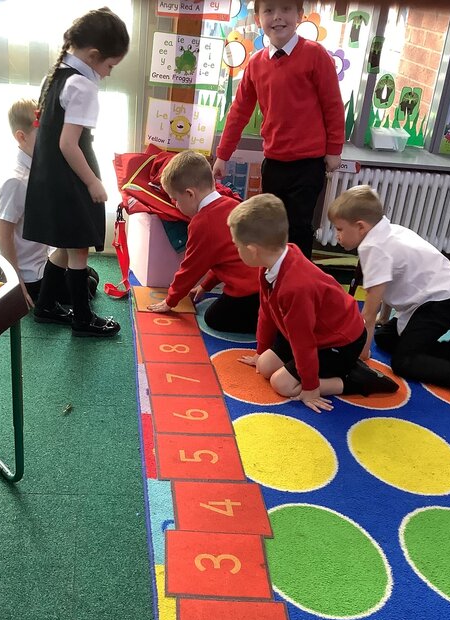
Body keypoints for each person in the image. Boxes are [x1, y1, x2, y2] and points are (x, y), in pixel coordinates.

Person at [328, 185, 450, 404]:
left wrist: (361, 354)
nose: (337, 235)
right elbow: (385, 286)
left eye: (339, 229)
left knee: (404, 363)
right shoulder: (387, 230)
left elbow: (368, 315)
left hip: (442, 302)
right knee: (385, 337)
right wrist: (384, 318)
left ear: (361, 227)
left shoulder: (374, 249)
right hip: (436, 296)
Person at [228, 194, 396, 410]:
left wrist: (310, 388)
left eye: (237, 245)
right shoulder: (270, 263)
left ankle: (358, 377)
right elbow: (267, 312)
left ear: (252, 250)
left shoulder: (295, 287)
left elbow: (303, 342)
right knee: (264, 365)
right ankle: (316, 371)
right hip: (314, 333)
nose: (236, 250)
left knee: (282, 384)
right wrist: (261, 350)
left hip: (340, 341)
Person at [22, 7, 129, 338]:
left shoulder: (56, 75)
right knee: (78, 246)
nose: (108, 74)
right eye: (110, 66)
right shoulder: (83, 86)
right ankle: (83, 318)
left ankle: (46, 306)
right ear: (94, 55)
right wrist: (93, 182)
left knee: (67, 244)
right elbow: (69, 144)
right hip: (70, 173)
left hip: (51, 173)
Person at [210, 1, 345, 259]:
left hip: (308, 164)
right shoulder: (256, 63)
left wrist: (334, 150)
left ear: (299, 15)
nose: (277, 17)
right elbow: (239, 112)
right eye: (269, 11)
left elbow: (333, 105)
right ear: (258, 18)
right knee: (272, 226)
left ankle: (297, 279)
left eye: (285, 9)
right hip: (273, 163)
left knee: (298, 228)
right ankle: (271, 276)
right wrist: (223, 155)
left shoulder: (316, 55)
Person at [144, 150, 260, 334]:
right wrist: (205, 285)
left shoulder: (202, 223)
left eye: (176, 199)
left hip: (249, 292)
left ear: (190, 194)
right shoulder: (232, 204)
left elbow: (190, 268)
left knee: (214, 318)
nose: (176, 205)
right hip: (265, 283)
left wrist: (170, 300)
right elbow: (223, 259)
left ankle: (269, 321)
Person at [0, 98, 68, 324]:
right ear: (21, 137)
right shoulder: (16, 180)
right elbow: (3, 234)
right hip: (30, 275)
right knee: (87, 286)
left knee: (88, 277)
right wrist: (16, 283)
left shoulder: (37, 168)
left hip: (41, 260)